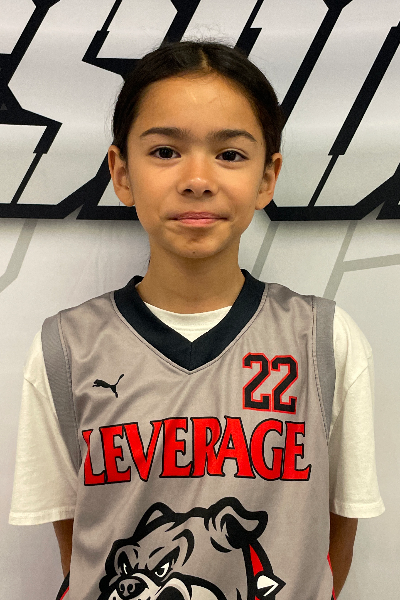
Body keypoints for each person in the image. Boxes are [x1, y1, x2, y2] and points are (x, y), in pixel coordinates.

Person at [9, 39, 385, 600]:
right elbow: (79, 542)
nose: (197, 179)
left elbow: (336, 535)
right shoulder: (66, 347)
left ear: (267, 177)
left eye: (230, 154)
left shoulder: (322, 339)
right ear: (122, 172)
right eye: (165, 151)